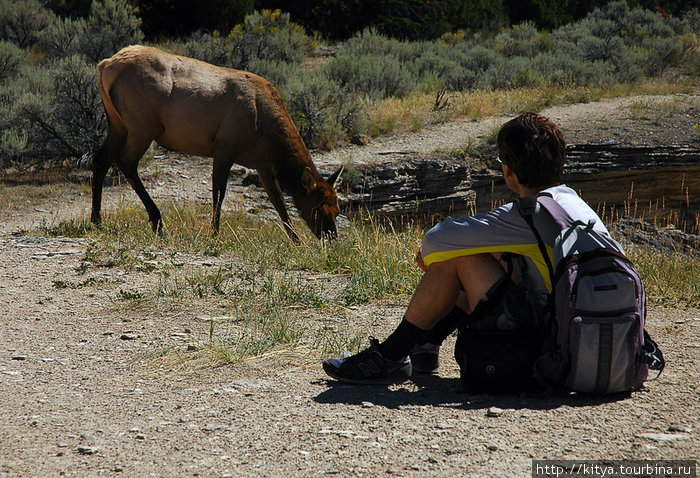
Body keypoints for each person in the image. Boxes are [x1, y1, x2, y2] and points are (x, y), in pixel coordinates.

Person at [322, 112, 617, 385]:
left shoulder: (527, 215)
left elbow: (434, 242)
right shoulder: (575, 204)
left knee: (459, 258)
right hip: (590, 345)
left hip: (549, 352)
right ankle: (427, 344)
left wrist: (435, 256)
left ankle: (390, 356)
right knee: (501, 257)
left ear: (508, 171)